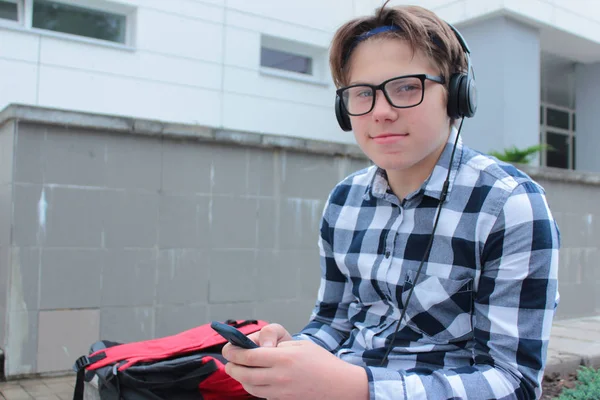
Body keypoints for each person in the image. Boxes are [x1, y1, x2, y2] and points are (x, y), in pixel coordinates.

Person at [222, 2, 560, 399]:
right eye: (362, 93)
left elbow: (514, 383)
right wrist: (292, 351)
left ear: (456, 96)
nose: (380, 112)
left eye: (405, 88)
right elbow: (334, 322)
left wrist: (359, 387)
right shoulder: (345, 200)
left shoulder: (509, 207)